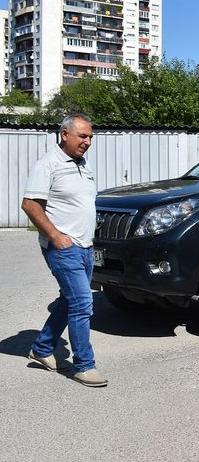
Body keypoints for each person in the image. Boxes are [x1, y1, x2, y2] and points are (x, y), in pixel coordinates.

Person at [21, 113, 107, 387]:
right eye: (82, 136)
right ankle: (84, 365)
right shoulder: (48, 164)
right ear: (64, 135)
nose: (88, 141)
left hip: (84, 246)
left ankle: (42, 348)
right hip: (63, 247)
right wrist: (56, 236)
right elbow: (30, 205)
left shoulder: (83, 164)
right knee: (82, 303)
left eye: (91, 136)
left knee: (69, 301)